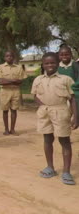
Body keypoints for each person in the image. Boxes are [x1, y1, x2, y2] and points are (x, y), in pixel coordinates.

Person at [32, 52, 78, 185]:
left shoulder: (66, 79)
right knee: (47, 139)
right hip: (45, 112)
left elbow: (73, 99)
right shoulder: (38, 79)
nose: (50, 65)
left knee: (64, 141)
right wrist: (42, 106)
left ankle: (66, 172)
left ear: (58, 64)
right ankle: (50, 167)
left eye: (52, 63)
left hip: (61, 111)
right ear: (43, 65)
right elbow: (35, 95)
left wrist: (76, 117)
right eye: (47, 63)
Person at [0, 51, 27, 136]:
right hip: (5, 91)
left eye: (11, 56)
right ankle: (6, 129)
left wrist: (7, 80)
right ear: (4, 58)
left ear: (14, 57)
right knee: (5, 110)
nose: (9, 57)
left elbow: (20, 81)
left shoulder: (19, 67)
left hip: (16, 91)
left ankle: (12, 129)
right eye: (7, 56)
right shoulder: (0, 67)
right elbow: (1, 81)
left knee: (14, 110)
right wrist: (13, 80)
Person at [58, 45, 79, 116]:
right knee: (64, 112)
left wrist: (74, 88)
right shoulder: (57, 67)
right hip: (62, 93)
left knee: (75, 109)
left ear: (71, 55)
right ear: (58, 56)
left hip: (74, 92)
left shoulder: (75, 65)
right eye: (62, 55)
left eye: (67, 54)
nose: (64, 56)